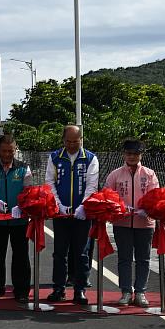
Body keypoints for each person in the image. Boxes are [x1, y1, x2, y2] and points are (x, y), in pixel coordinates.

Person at [46, 125, 98, 305]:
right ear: (63, 140)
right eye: (68, 141)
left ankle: (80, 289)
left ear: (81, 140)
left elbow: (92, 185)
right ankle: (58, 289)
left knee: (82, 252)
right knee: (60, 252)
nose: (71, 145)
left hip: (83, 214)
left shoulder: (90, 158)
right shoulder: (54, 157)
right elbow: (49, 182)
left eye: (75, 141)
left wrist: (83, 207)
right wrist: (58, 205)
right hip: (61, 214)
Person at [105, 139, 159, 308]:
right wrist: (119, 208)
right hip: (122, 222)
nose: (132, 157)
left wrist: (147, 210)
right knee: (124, 258)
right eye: (129, 153)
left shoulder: (149, 174)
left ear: (141, 155)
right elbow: (107, 195)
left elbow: (155, 196)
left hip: (145, 222)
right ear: (124, 154)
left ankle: (141, 291)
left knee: (143, 258)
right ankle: (126, 291)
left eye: (135, 154)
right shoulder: (115, 174)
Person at [0, 134, 32, 303]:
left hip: (20, 220)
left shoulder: (24, 168)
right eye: (4, 151)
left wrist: (21, 205)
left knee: (21, 256)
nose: (8, 154)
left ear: (15, 150)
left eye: (11, 151)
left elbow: (29, 192)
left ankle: (22, 290)